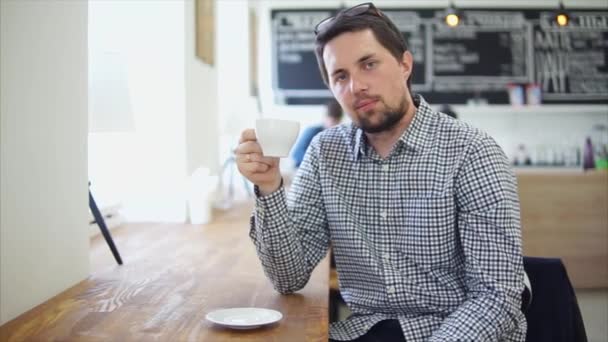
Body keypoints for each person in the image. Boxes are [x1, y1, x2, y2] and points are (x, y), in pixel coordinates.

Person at [235, 3, 526, 341]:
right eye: (340, 76)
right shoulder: (325, 153)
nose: (356, 86)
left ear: (404, 64)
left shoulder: (472, 152)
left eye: (369, 64)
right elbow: (288, 277)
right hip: (366, 330)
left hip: (454, 330)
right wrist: (270, 187)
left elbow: (496, 298)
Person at [291, 99, 343, 168]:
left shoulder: (339, 136)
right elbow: (297, 153)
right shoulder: (312, 131)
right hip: (305, 167)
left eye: (336, 121)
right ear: (325, 118)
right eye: (332, 121)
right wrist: (317, 163)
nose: (333, 125)